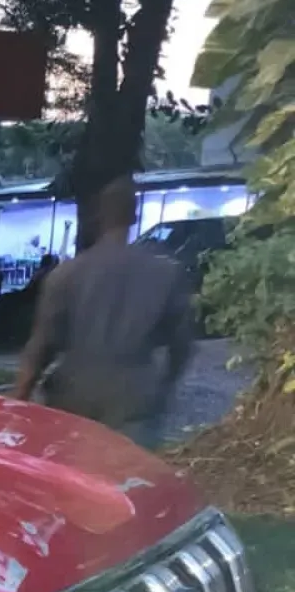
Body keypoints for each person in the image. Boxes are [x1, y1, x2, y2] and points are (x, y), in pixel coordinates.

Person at [14, 176, 194, 448]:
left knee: (72, 477)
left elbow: (41, 347)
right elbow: (182, 345)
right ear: (134, 216)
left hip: (74, 393)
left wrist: (19, 399)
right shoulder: (165, 273)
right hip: (135, 394)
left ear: (99, 216)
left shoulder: (67, 275)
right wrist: (164, 386)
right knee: (127, 481)